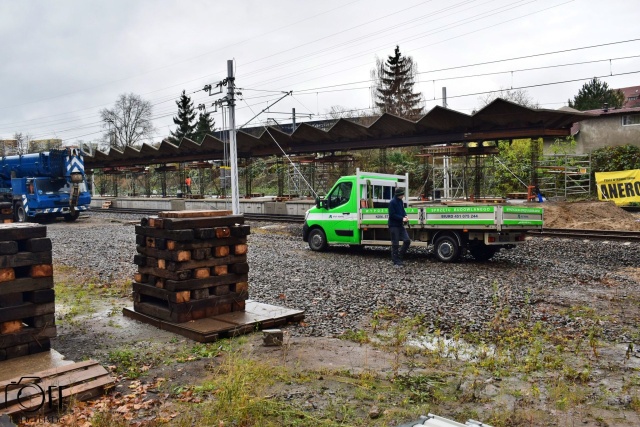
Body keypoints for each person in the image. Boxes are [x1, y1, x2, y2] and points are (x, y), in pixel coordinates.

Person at [388, 188, 411, 267]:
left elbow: (402, 210)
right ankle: (395, 261)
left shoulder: (400, 201)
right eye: (402, 194)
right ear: (399, 195)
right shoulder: (392, 203)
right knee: (395, 244)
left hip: (400, 225)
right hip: (393, 226)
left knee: (407, 240)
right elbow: (392, 215)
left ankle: (400, 256)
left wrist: (405, 215)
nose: (403, 195)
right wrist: (402, 218)